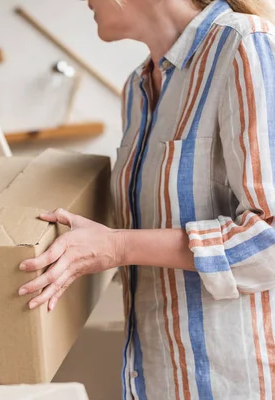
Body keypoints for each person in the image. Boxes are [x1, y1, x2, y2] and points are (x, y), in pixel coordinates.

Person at [18, 0, 275, 398]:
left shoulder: (242, 44)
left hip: (236, 383)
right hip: (155, 380)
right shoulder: (136, 90)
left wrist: (117, 246)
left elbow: (270, 240)